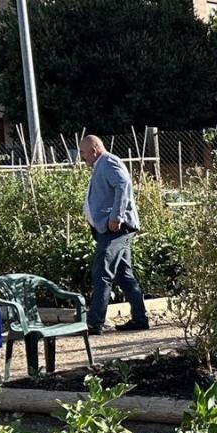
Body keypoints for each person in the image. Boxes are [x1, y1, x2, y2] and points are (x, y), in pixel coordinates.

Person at [79, 135, 150, 334]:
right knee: (123, 275)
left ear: (94, 148)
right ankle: (139, 318)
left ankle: (94, 323)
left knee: (102, 272)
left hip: (115, 229)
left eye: (83, 152)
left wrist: (116, 216)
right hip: (110, 229)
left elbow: (123, 185)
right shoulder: (101, 165)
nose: (82, 157)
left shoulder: (109, 161)